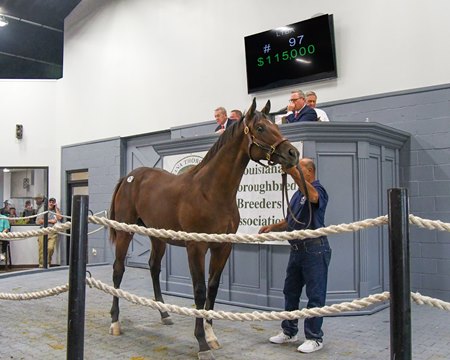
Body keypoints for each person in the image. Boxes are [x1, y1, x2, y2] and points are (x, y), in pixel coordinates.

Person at [259, 157, 331, 354]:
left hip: (315, 249)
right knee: (290, 292)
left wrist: (292, 171)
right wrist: (274, 227)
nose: (296, 170)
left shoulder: (317, 189)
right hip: (297, 250)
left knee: (315, 296)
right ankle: (289, 331)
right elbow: (291, 218)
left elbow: (313, 197)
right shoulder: (297, 193)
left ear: (309, 171)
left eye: (300, 168)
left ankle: (315, 338)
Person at [35, 195, 62, 267]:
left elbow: (59, 217)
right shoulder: (43, 210)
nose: (51, 203)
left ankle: (48, 263)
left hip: (52, 232)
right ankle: (41, 265)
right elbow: (38, 221)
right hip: (43, 230)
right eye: (50, 202)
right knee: (42, 249)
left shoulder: (55, 210)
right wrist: (50, 221)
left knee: (50, 248)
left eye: (53, 202)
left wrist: (56, 208)